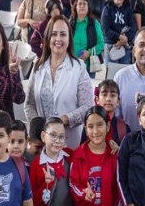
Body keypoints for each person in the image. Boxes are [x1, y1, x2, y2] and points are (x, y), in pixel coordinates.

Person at [25, 15, 94, 148]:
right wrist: (40, 129)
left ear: (69, 39)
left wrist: (63, 121)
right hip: (41, 143)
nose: (58, 39)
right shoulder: (38, 66)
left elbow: (87, 107)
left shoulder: (78, 67)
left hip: (68, 143)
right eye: (54, 34)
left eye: (63, 34)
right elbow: (29, 104)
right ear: (48, 38)